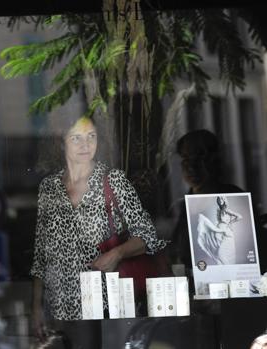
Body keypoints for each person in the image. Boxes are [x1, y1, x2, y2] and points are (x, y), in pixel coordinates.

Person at [31, 115, 168, 349]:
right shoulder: (49, 188)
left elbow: (148, 236)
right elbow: (41, 255)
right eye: (76, 138)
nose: (85, 145)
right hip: (59, 309)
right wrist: (35, 308)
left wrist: (118, 253)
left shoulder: (113, 181)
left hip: (104, 308)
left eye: (91, 137)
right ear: (61, 142)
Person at [168, 129, 243, 272]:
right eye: (185, 158)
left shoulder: (233, 198)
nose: (191, 167)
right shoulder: (181, 206)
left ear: (214, 161)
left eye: (200, 158)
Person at [196, 196, 242, 265]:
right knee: (217, 252)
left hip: (226, 233)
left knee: (221, 253)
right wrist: (215, 227)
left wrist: (230, 223)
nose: (220, 201)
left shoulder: (226, 210)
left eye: (221, 199)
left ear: (224, 200)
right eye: (219, 199)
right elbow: (218, 221)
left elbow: (239, 217)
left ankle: (227, 268)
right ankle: (223, 270)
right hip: (219, 231)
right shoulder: (218, 210)